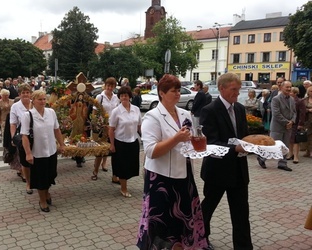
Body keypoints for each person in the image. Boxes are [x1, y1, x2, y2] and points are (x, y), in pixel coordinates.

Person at [137, 74, 208, 249]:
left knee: (183, 219)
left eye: (178, 90)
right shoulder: (152, 117)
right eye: (173, 91)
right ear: (161, 93)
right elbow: (151, 151)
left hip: (184, 174)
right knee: (161, 222)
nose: (177, 94)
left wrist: (199, 142)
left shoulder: (184, 113)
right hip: (160, 179)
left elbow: (189, 140)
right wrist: (176, 139)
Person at [200, 73, 253, 250]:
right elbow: (211, 142)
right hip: (217, 170)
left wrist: (256, 145)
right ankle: (201, 239)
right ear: (221, 88)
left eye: (238, 90)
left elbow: (243, 136)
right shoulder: (209, 110)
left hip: (238, 170)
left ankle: (244, 246)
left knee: (241, 214)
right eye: (233, 90)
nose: (237, 94)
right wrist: (236, 149)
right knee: (207, 209)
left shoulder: (239, 108)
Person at [21, 90, 65, 212]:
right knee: (41, 178)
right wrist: (28, 153)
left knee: (50, 175)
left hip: (51, 151)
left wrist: (62, 145)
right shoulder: (28, 115)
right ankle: (42, 200)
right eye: (40, 99)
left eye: (44, 99)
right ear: (33, 101)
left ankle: (47, 192)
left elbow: (57, 130)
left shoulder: (51, 112)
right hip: (37, 152)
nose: (43, 101)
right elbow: (24, 136)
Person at [107, 86, 141, 197]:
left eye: (126, 95)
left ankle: (124, 184)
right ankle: (123, 188)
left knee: (131, 165)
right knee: (122, 166)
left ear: (130, 96)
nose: (124, 98)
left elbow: (139, 126)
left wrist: (144, 137)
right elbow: (111, 129)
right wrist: (112, 144)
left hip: (133, 141)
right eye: (121, 96)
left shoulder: (136, 109)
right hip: (120, 142)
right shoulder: (116, 111)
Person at [257, 81, 296, 172]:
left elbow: (294, 112)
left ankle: (282, 163)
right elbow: (276, 114)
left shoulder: (292, 99)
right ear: (281, 88)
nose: (289, 89)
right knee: (272, 146)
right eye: (287, 87)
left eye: (290, 87)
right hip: (277, 127)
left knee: (285, 146)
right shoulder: (276, 99)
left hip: (288, 127)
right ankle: (261, 158)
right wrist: (287, 122)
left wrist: (292, 121)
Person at [92, 77, 120, 179]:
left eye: (112, 86)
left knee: (111, 148)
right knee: (100, 150)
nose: (109, 88)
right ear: (105, 85)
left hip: (113, 127)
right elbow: (94, 112)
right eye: (108, 85)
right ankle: (95, 171)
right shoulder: (100, 97)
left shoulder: (116, 98)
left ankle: (106, 166)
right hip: (102, 127)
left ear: (114, 87)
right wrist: (96, 124)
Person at [10, 84, 32, 194]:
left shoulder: (35, 103)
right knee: (25, 160)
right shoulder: (15, 106)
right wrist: (13, 137)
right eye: (23, 92)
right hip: (23, 136)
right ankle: (28, 182)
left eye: (27, 92)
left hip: (36, 136)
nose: (25, 94)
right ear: (19, 94)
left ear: (30, 93)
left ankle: (36, 180)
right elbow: (13, 123)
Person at [287, 87, 306, 164]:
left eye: (291, 92)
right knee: (290, 140)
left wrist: (300, 124)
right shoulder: (288, 100)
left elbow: (302, 113)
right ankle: (290, 154)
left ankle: (296, 156)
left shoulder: (300, 101)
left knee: (295, 140)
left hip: (296, 123)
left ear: (295, 93)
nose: (289, 93)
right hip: (289, 122)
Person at [303, 86, 312, 158]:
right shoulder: (304, 100)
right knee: (308, 136)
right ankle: (308, 151)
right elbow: (302, 109)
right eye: (311, 91)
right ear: (308, 92)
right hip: (307, 120)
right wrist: (308, 110)